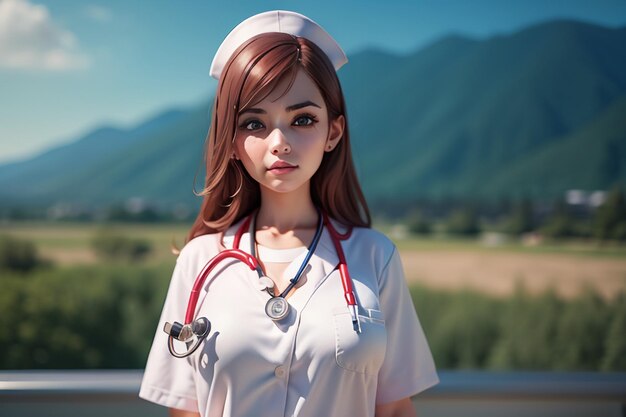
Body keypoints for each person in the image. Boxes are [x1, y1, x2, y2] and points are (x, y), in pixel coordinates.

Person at [139, 10, 438, 417]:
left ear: (333, 131)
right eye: (253, 123)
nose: (279, 142)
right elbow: (185, 411)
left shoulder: (375, 257)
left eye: (302, 119)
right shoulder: (200, 261)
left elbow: (395, 409)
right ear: (230, 141)